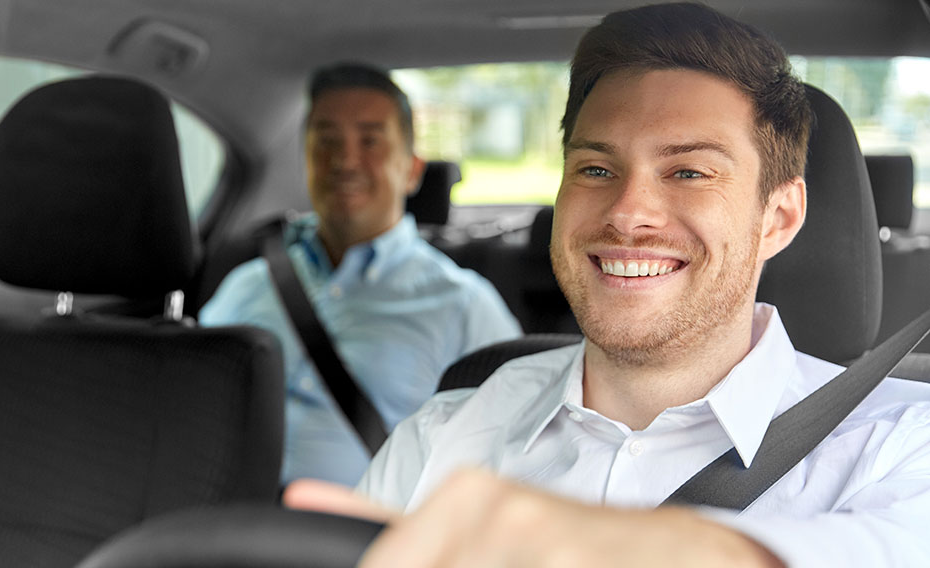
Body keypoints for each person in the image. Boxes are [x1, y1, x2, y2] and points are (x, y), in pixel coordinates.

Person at [283, 3, 930, 566]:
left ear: (778, 218)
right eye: (595, 168)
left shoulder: (900, 445)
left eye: (688, 173)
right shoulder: (443, 435)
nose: (627, 212)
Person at [199, 62, 522, 487]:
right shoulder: (246, 285)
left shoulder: (465, 306)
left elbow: (512, 464)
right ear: (306, 160)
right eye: (326, 141)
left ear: (412, 170)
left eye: (370, 140)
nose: (346, 161)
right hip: (215, 535)